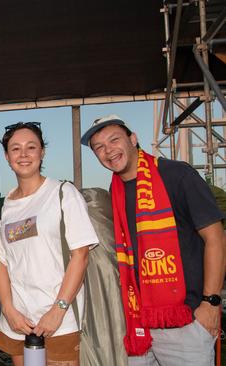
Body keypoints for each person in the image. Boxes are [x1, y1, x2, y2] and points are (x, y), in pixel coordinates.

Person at [82, 115, 226, 366]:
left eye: (114, 140)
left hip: (186, 320)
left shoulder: (176, 175)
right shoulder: (114, 191)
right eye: (99, 147)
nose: (109, 151)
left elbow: (215, 238)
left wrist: (211, 303)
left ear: (133, 139)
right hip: (138, 322)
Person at [0, 122, 97, 366]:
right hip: (18, 321)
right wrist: (9, 310)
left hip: (61, 322)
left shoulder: (63, 194)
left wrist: (57, 310)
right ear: (7, 156)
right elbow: (1, 262)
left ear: (42, 152)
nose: (24, 154)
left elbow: (81, 256)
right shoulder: (1, 208)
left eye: (31, 147)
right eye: (16, 149)